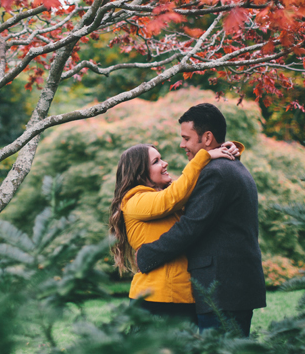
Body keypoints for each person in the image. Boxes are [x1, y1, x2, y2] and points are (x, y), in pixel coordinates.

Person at [135, 103, 266, 337]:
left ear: (207, 138)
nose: (181, 144)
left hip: (222, 287)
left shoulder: (216, 172)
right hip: (233, 286)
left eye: (186, 138)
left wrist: (146, 255)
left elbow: (190, 227)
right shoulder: (230, 166)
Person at [109, 139, 243, 323]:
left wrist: (228, 149)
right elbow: (174, 196)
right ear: (139, 173)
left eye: (161, 159)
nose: (165, 164)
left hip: (184, 296)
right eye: (156, 162)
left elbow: (200, 184)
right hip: (155, 298)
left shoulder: (168, 194)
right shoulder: (133, 201)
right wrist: (205, 155)